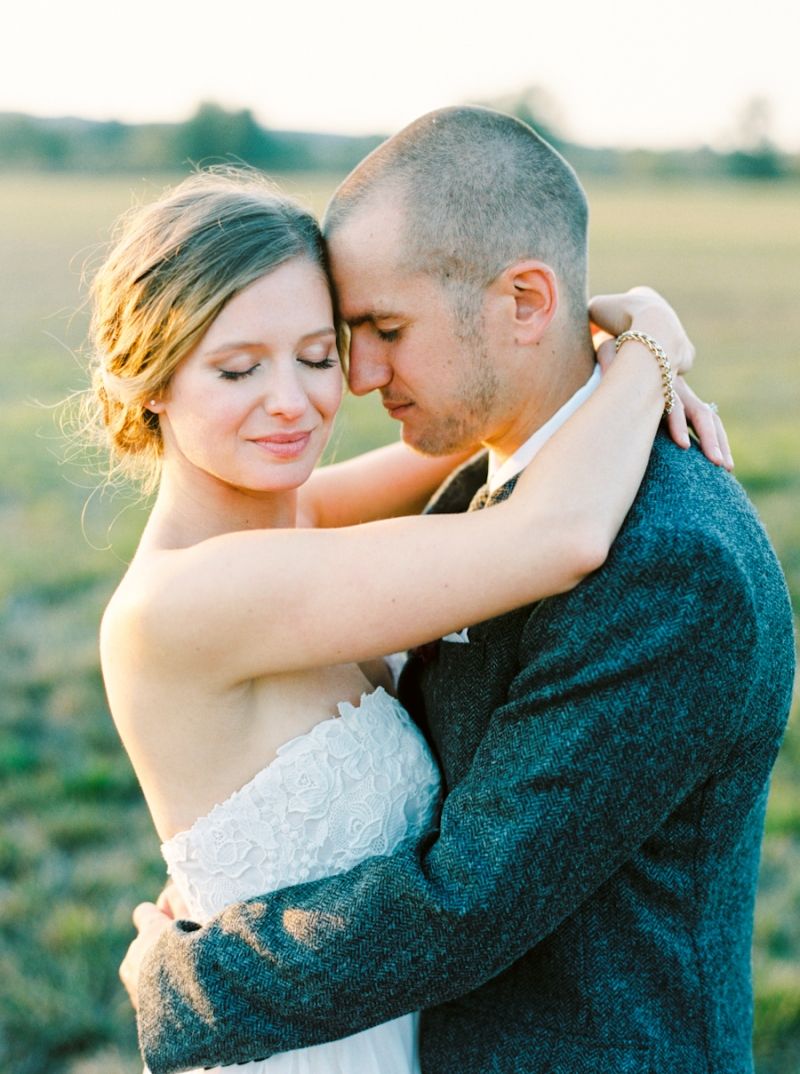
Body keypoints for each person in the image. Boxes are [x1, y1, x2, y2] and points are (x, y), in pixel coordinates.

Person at [121, 111, 793, 1074]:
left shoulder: (671, 564)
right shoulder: (475, 490)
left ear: (526, 302)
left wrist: (188, 984)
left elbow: (471, 896)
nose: (356, 378)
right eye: (345, 339)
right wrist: (642, 345)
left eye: (378, 332)